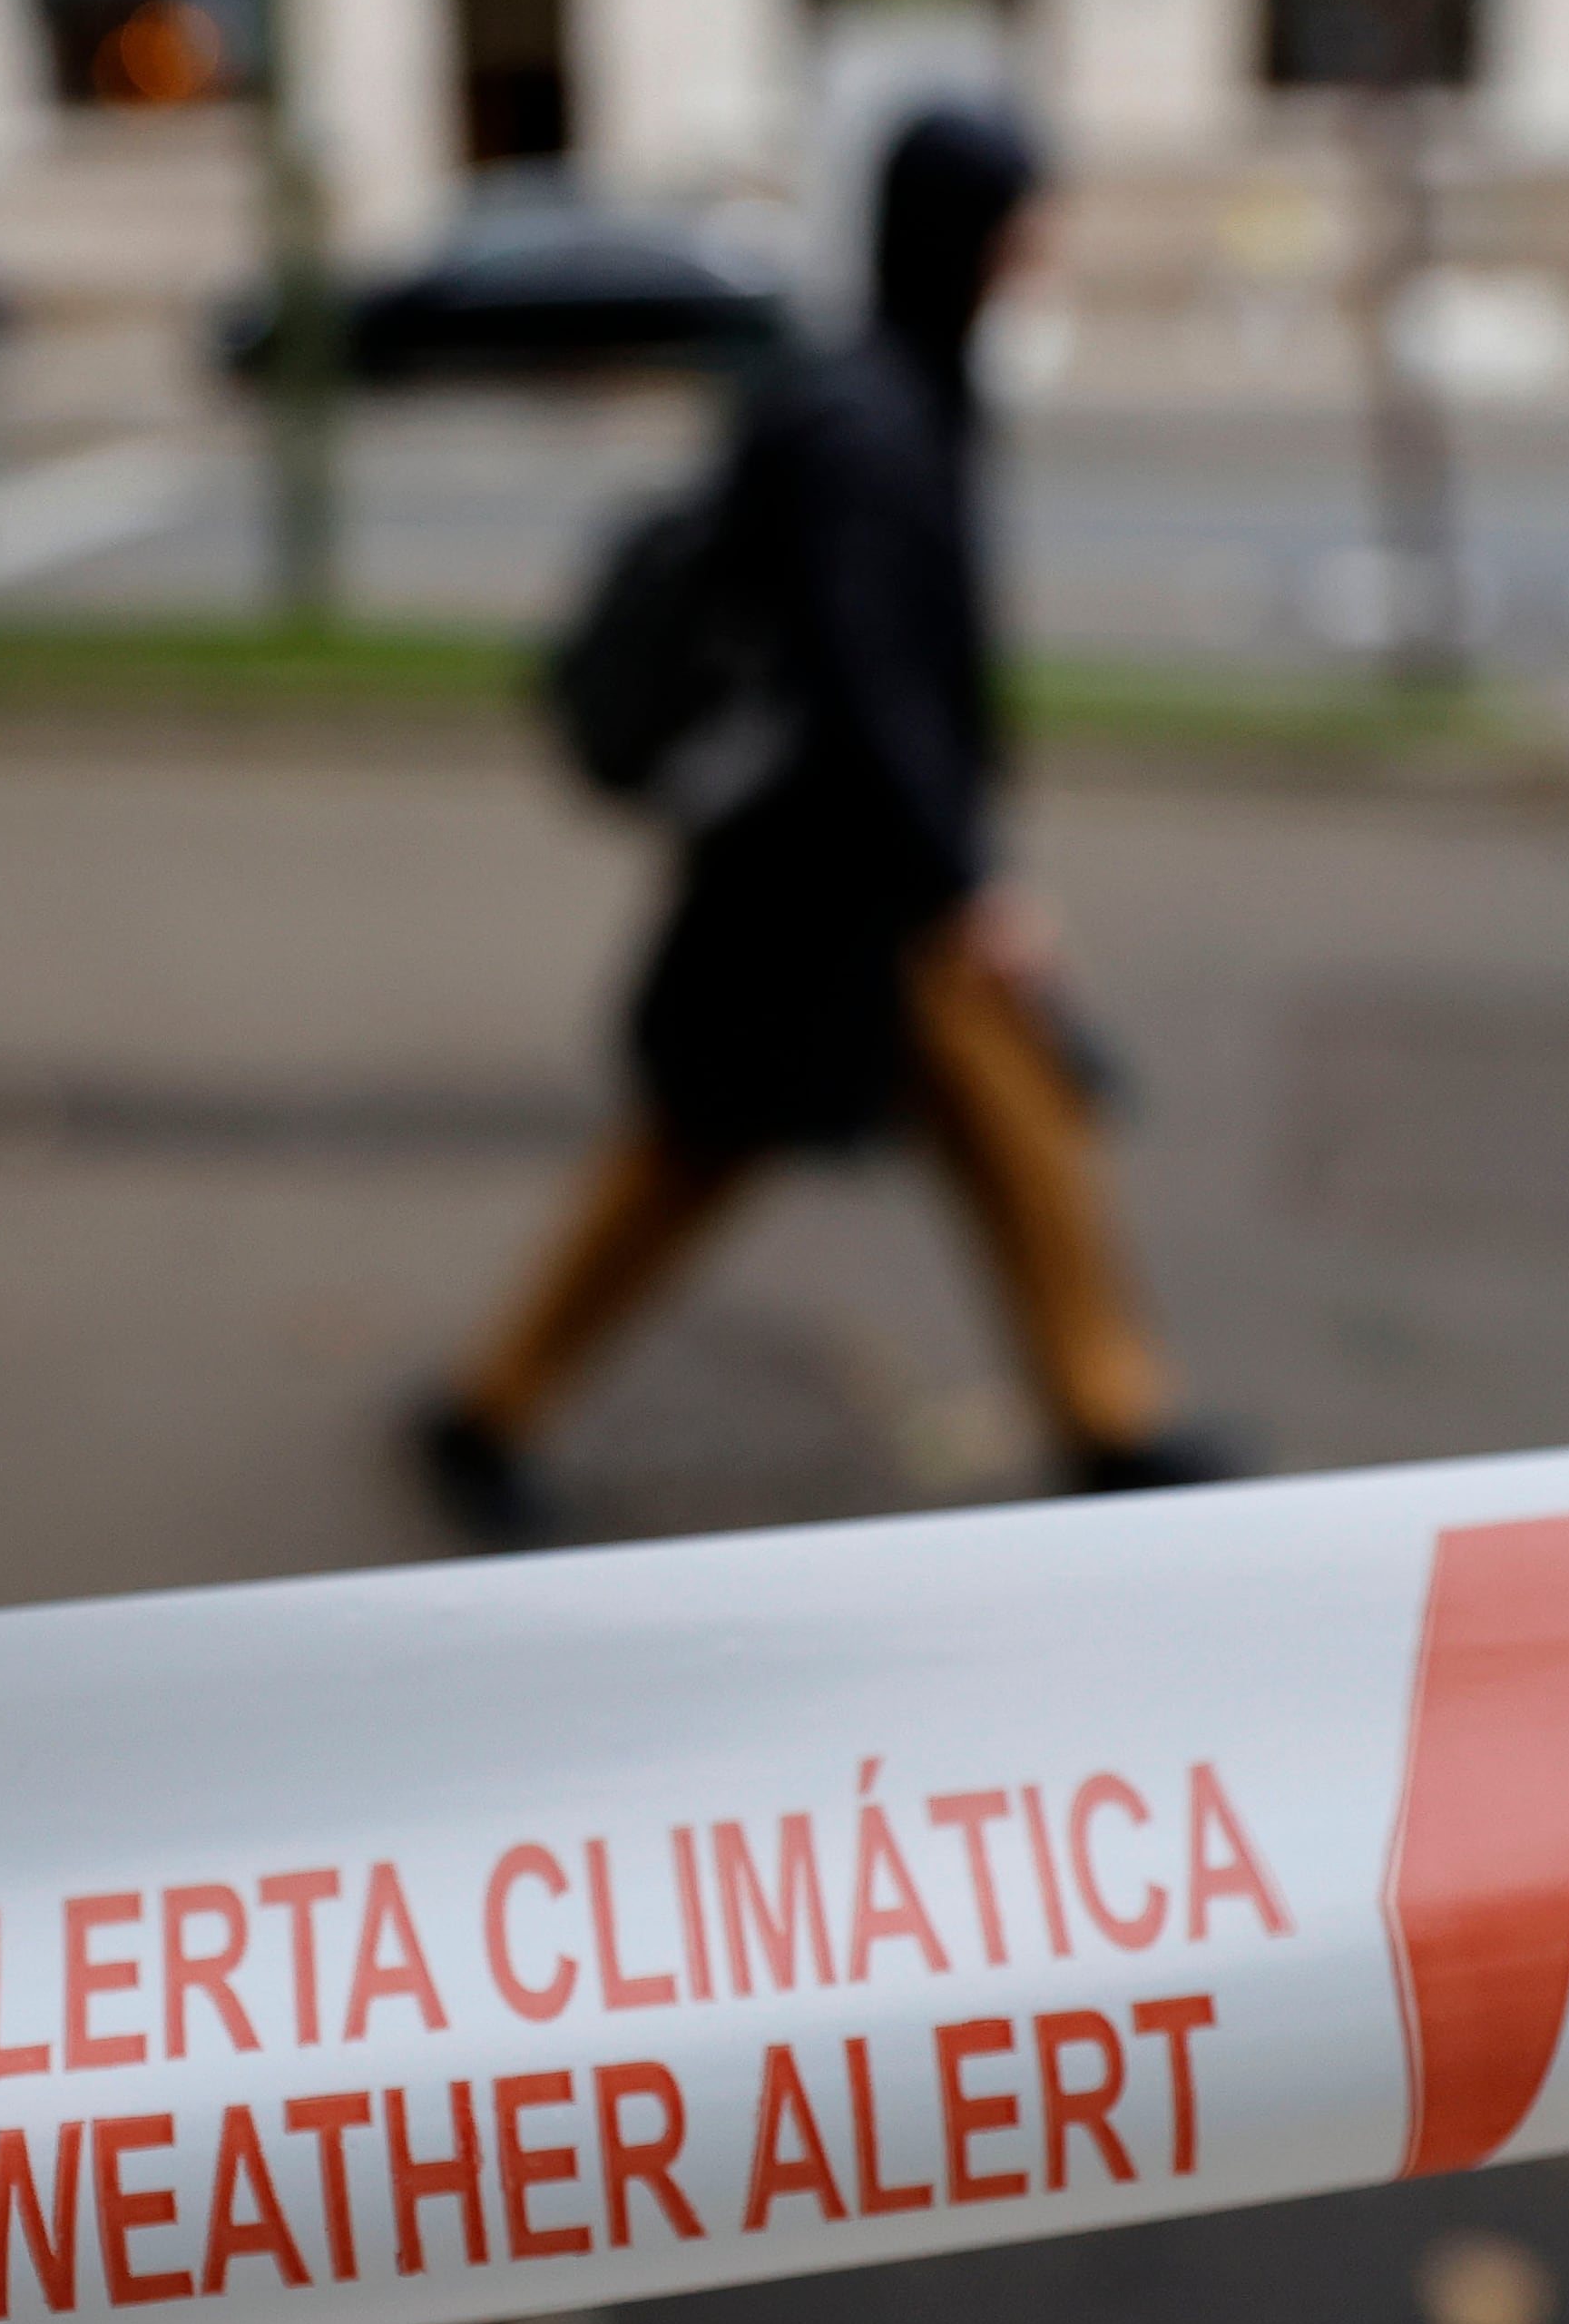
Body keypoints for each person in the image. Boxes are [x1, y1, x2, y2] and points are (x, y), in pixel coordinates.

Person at [413, 103, 1235, 1550]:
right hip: (817, 893)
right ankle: (486, 1406)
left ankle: (1112, 1415)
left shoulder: (897, 388)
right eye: (1019, 219)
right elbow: (866, 684)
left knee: (1018, 1132)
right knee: (694, 1154)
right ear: (959, 232)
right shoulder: (868, 418)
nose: (1040, 249)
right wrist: (975, 878)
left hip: (865, 884)